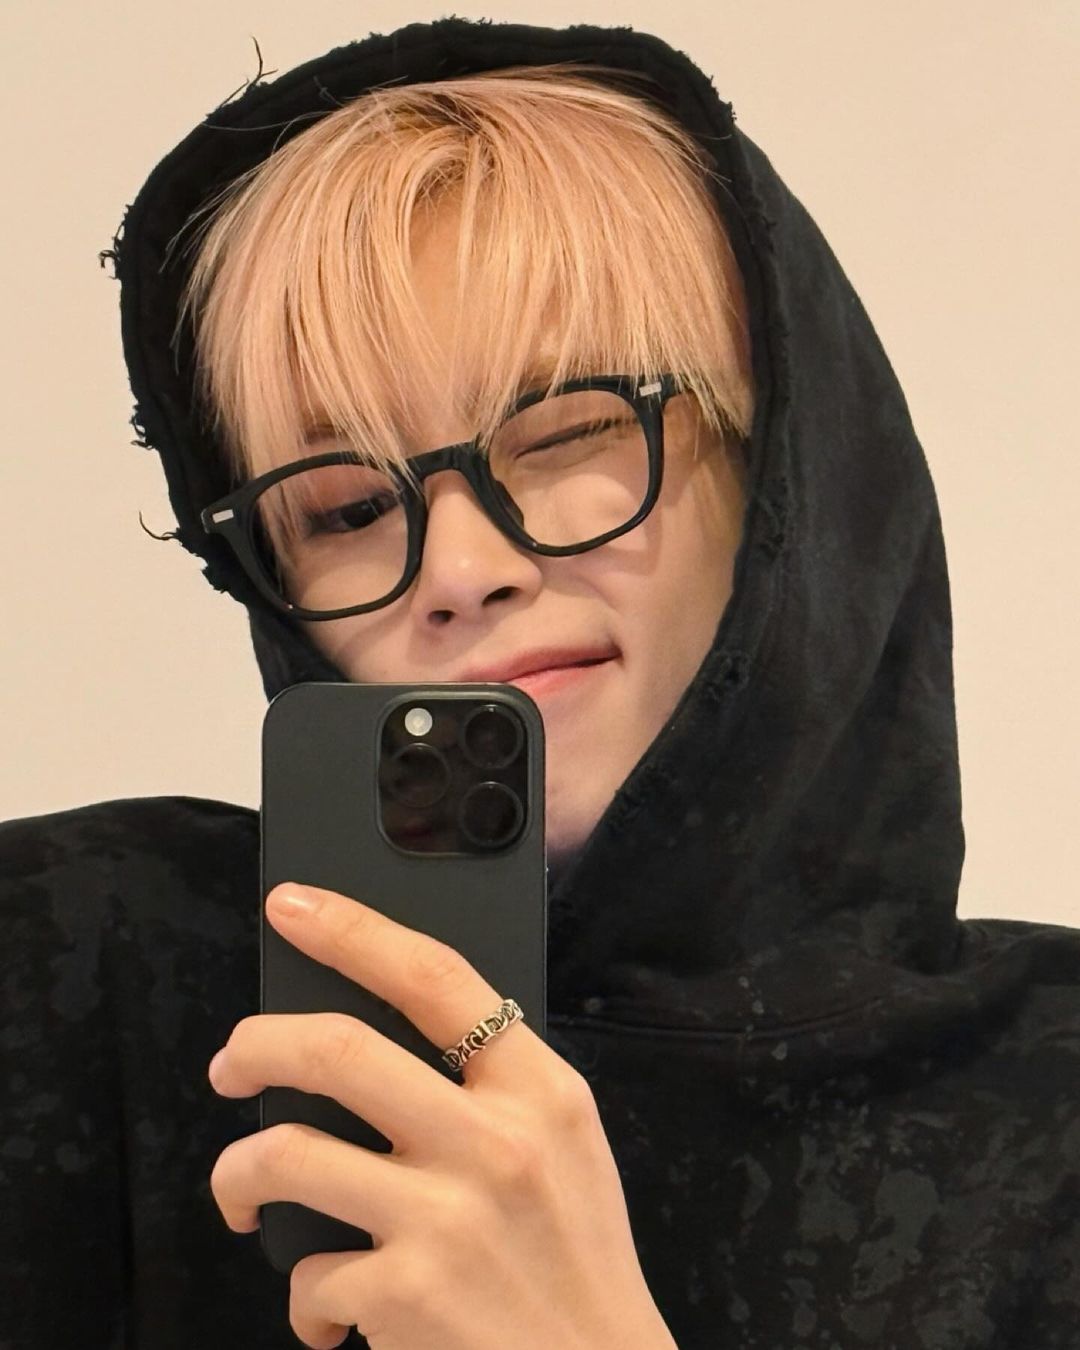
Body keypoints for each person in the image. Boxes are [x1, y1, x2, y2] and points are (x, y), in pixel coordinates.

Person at [3, 16, 1079, 1350]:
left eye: (569, 432)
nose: (459, 568)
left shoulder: (1052, 1112)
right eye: (344, 509)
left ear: (788, 479)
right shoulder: (71, 974)